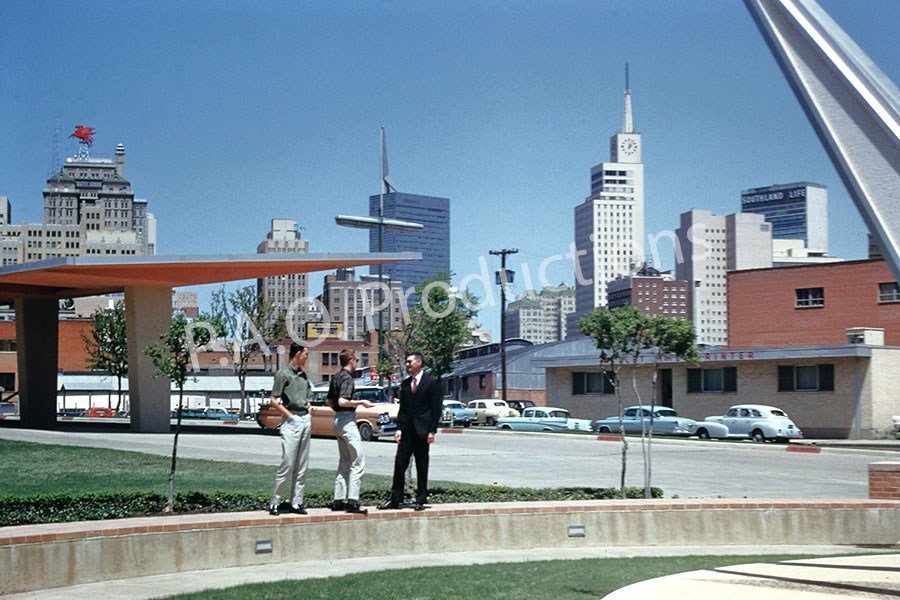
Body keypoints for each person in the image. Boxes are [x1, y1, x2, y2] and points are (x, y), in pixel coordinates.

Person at [378, 353, 443, 511]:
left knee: (422, 466)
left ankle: (420, 500)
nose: (407, 365)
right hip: (407, 431)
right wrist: (399, 428)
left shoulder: (431, 383)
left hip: (423, 431)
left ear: (419, 362)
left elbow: (436, 410)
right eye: (406, 362)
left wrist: (432, 431)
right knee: (400, 465)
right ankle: (395, 499)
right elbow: (403, 409)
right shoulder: (406, 384)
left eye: (409, 362)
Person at [327, 349, 374, 514]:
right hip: (347, 420)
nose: (357, 363)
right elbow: (342, 400)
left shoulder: (336, 377)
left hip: (338, 420)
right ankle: (352, 501)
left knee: (345, 461)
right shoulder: (347, 378)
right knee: (358, 461)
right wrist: (361, 402)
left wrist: (338, 412)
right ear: (352, 360)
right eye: (357, 360)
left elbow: (329, 401)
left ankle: (338, 500)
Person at [268, 343, 312, 516]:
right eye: (306, 354)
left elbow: (307, 397)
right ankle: (275, 502)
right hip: (291, 419)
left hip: (305, 419)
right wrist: (290, 416)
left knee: (302, 465)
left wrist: (308, 410)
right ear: (298, 353)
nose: (307, 357)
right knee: (287, 463)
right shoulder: (283, 374)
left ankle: (296, 502)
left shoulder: (303, 375)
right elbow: (274, 400)